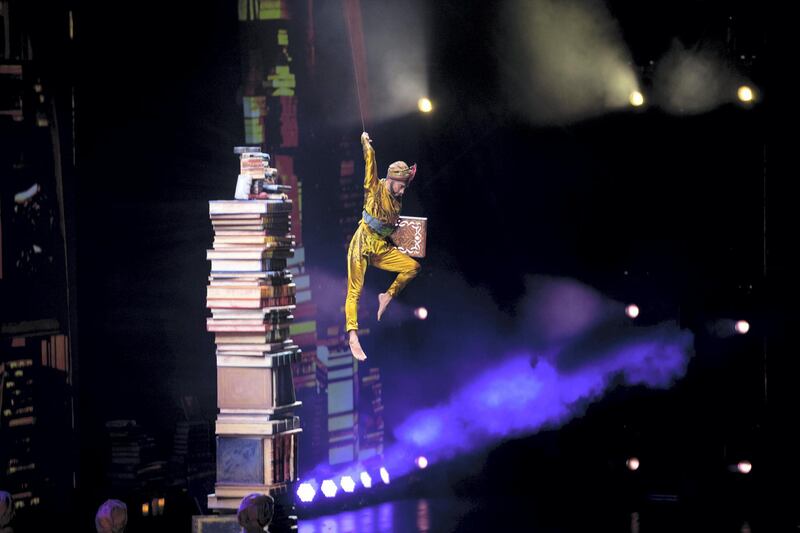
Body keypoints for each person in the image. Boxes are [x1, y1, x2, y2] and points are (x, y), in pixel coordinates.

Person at [345, 132, 421, 360]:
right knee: (354, 291)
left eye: (405, 185)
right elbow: (370, 162)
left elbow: (391, 224)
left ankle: (386, 296)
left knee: (413, 267)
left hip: (380, 247)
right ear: (389, 180)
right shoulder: (375, 188)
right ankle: (352, 336)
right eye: (400, 185)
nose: (403, 190)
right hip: (362, 243)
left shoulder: (398, 197)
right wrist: (366, 143)